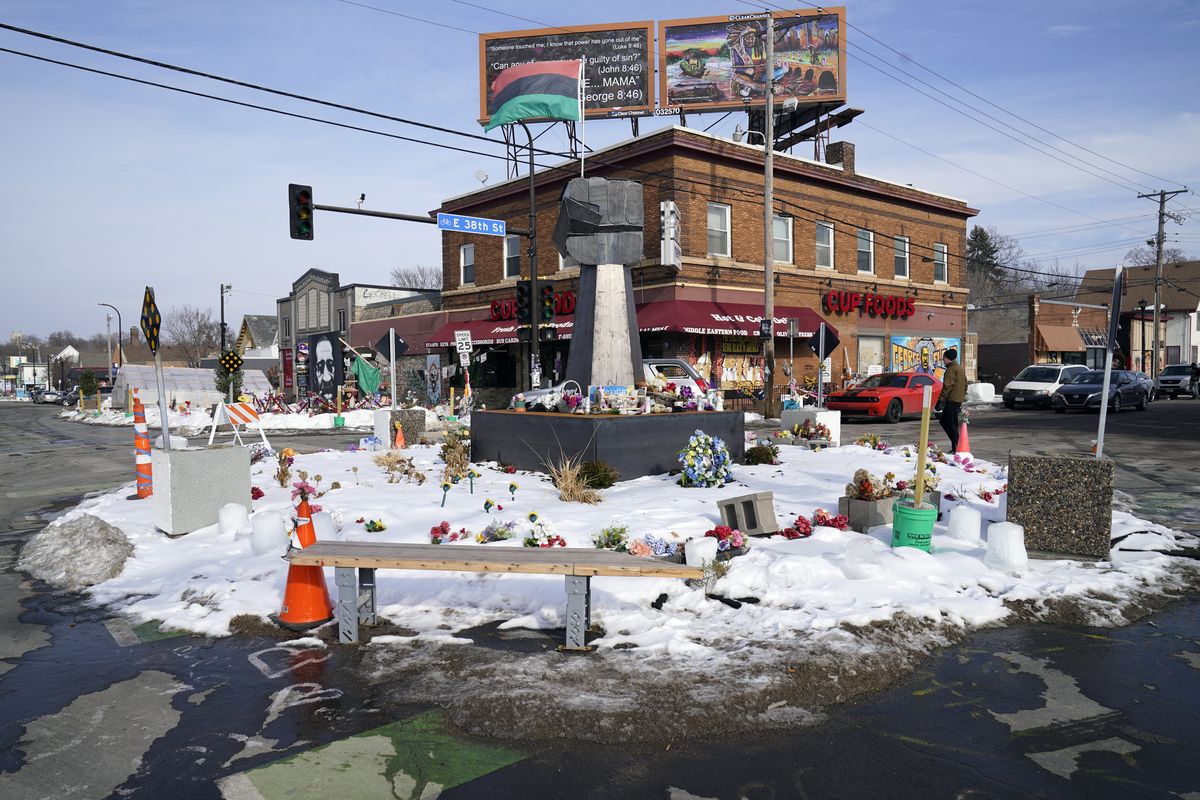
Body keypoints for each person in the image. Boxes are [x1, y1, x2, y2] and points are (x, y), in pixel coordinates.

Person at [937, 348, 966, 452]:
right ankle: (955, 445)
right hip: (957, 400)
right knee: (950, 423)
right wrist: (961, 397)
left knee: (948, 423)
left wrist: (940, 400)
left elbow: (947, 386)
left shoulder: (951, 369)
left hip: (951, 400)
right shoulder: (960, 368)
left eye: (944, 358)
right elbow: (965, 385)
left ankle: (957, 446)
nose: (943, 360)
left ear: (948, 358)